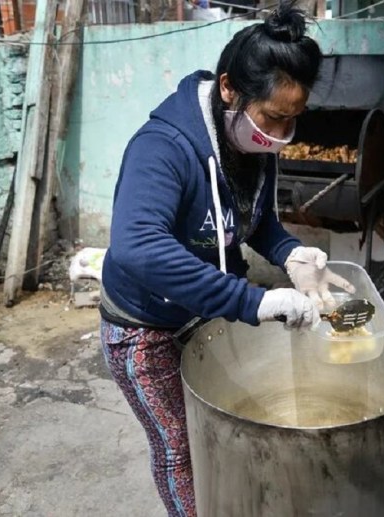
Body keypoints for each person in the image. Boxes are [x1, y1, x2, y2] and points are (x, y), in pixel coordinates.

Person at [97, 4, 352, 516]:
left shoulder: (251, 143)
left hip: (204, 311)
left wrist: (292, 254)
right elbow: (137, 246)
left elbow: (254, 220)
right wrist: (251, 301)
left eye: (294, 118)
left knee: (232, 428)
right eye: (275, 117)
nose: (283, 134)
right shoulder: (164, 147)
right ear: (230, 88)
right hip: (144, 324)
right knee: (180, 449)